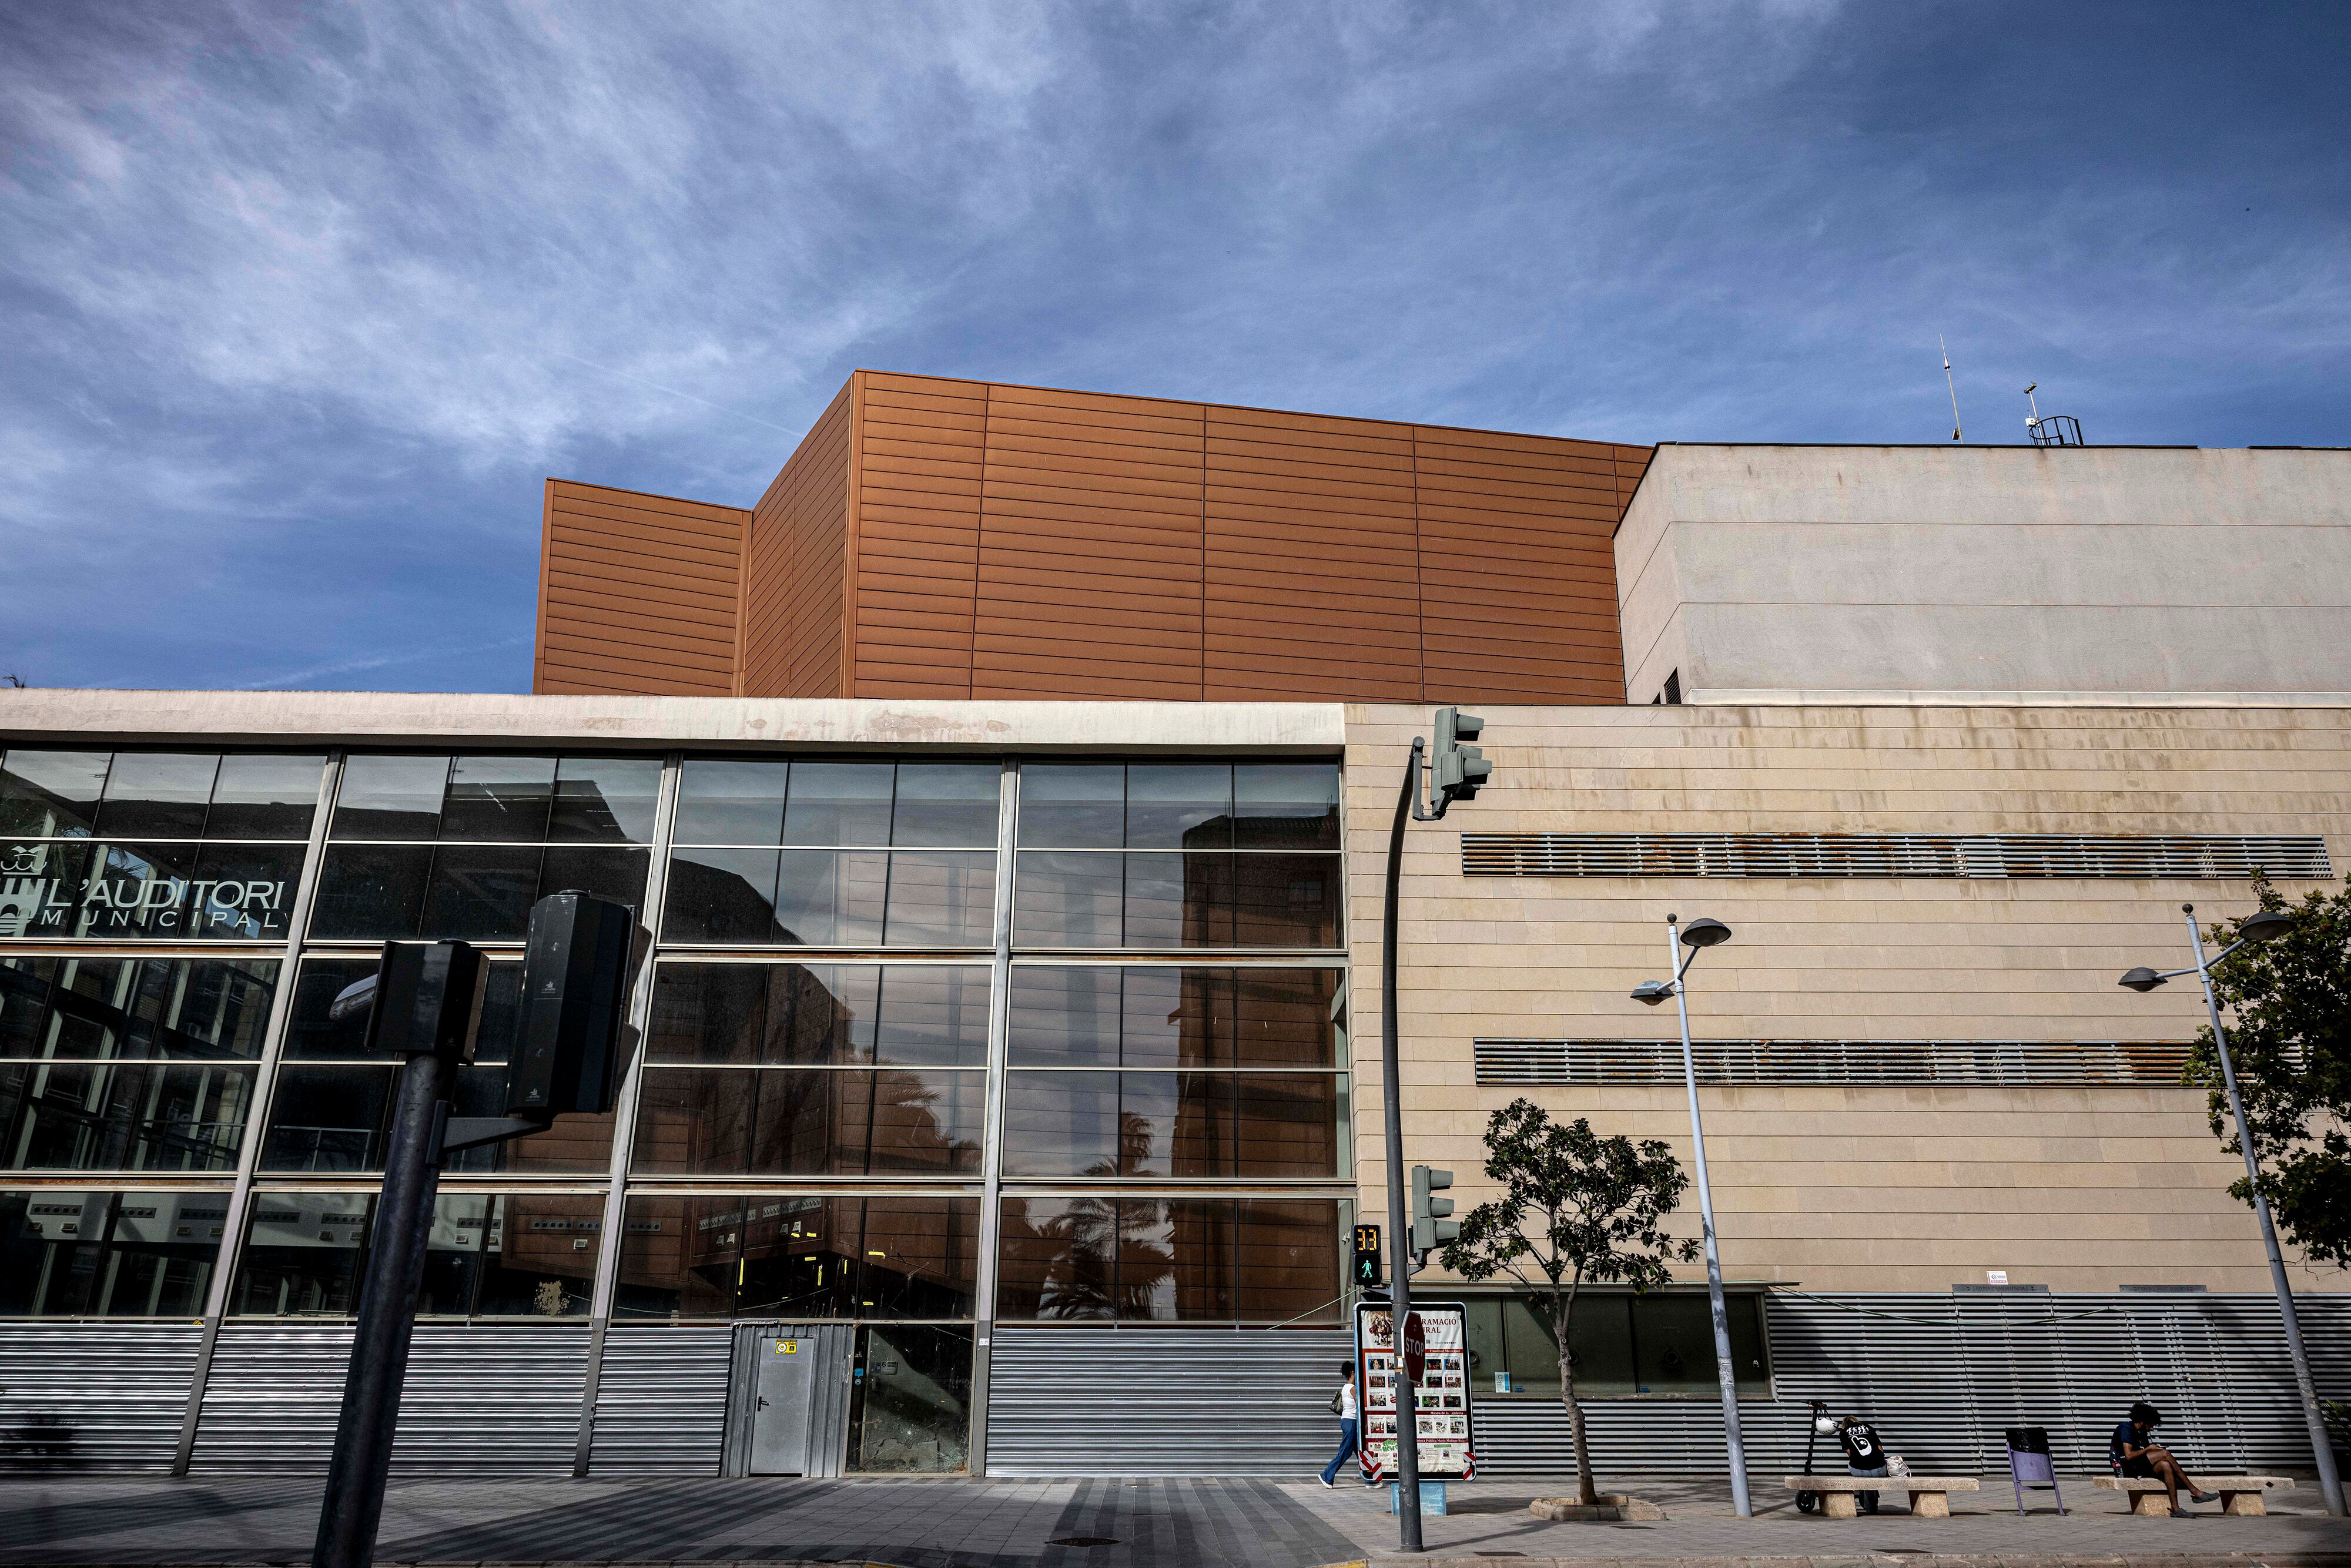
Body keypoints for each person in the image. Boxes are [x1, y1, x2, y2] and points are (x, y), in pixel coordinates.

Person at [2110, 1402, 2216, 1517]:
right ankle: (2194, 1491)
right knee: (2165, 1454)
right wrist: (2150, 1450)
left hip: (2137, 1465)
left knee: (2166, 1465)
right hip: (2125, 1467)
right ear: (2142, 1421)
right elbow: (2129, 1456)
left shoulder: (2142, 1431)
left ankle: (2175, 1509)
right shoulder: (2126, 1429)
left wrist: (2155, 1450)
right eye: (2150, 1424)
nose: (2152, 1428)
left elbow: (2146, 1453)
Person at [1837, 1414, 1891, 1514]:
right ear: (1857, 1422)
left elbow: (1850, 1454)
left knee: (1851, 1465)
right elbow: (1881, 1451)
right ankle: (1871, 1503)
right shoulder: (1869, 1428)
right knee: (1874, 1473)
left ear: (1845, 1425)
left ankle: (1864, 1495)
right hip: (1879, 1470)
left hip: (1860, 1471)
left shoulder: (1844, 1433)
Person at [1319, 1361, 1359, 1487]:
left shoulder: (1345, 1387)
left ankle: (1372, 1478)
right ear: (1353, 1372)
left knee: (1362, 1451)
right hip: (1351, 1422)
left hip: (1347, 1421)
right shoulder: (1352, 1388)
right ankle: (1327, 1475)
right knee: (1345, 1452)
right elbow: (1360, 1403)